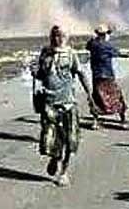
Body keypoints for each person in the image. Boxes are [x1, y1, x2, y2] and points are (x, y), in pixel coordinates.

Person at [32, 25, 92, 187]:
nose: (57, 39)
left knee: (70, 140)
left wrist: (89, 95)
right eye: (55, 35)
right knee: (49, 140)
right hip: (49, 104)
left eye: (61, 36)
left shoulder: (71, 54)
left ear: (66, 37)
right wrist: (35, 72)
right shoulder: (45, 53)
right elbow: (40, 75)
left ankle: (63, 172)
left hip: (68, 103)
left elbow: (81, 74)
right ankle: (54, 157)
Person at [85, 24, 127, 128]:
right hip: (108, 75)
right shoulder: (107, 46)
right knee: (117, 97)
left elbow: (87, 46)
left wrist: (93, 38)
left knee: (96, 97)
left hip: (96, 75)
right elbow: (117, 53)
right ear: (105, 34)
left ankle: (95, 121)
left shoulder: (93, 44)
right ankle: (123, 120)